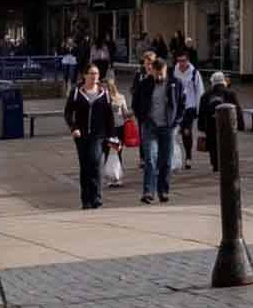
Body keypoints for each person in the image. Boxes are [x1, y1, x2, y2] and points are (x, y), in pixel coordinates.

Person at [130, 51, 188, 203]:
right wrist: (143, 118)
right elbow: (135, 103)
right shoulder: (144, 84)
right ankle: (148, 192)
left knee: (166, 161)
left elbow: (182, 104)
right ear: (152, 71)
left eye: (161, 73)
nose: (159, 77)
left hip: (167, 127)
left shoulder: (175, 84)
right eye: (156, 74)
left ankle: (163, 191)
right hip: (149, 126)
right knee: (150, 158)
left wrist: (176, 122)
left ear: (165, 70)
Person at [66, 61, 121, 209]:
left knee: (96, 163)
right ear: (85, 75)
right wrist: (73, 128)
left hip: (99, 135)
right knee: (85, 166)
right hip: (81, 135)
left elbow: (109, 116)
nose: (94, 76)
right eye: (91, 74)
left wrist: (113, 136)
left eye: (96, 74)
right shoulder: (76, 92)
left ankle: (97, 198)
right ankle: (86, 200)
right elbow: (68, 113)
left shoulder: (104, 93)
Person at [171, 51, 207, 168]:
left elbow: (200, 91)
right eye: (179, 61)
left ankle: (188, 157)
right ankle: (174, 157)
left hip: (189, 107)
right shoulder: (174, 71)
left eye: (183, 61)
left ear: (188, 61)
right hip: (176, 107)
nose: (181, 63)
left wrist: (199, 110)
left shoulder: (194, 73)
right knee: (173, 132)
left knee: (186, 132)